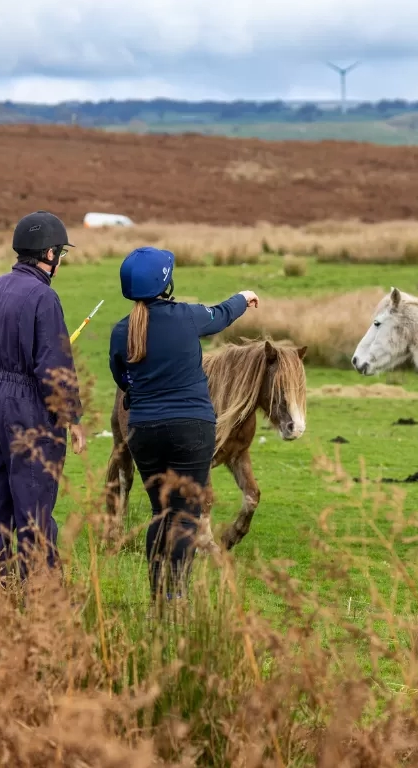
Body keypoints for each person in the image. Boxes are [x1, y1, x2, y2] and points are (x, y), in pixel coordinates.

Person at [109, 246, 258, 607]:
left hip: (144, 430)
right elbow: (221, 315)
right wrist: (244, 297)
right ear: (167, 283)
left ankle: (158, 596)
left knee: (161, 514)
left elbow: (121, 377)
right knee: (186, 517)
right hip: (192, 429)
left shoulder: (121, 330)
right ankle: (176, 596)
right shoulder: (188, 316)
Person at [0, 210, 86, 581]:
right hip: (28, 411)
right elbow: (54, 367)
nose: (61, 261)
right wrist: (72, 418)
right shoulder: (43, 298)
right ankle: (41, 603)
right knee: (33, 508)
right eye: (60, 254)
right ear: (48, 254)